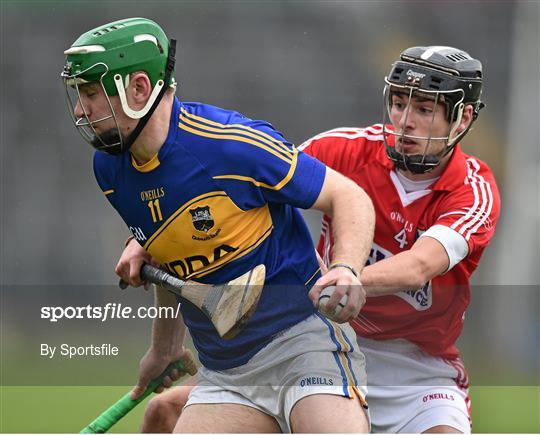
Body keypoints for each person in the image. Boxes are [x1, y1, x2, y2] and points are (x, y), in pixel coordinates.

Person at [140, 46, 500, 434]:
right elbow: (248, 193)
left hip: (414, 373)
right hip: (314, 347)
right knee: (164, 412)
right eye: (398, 104)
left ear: (462, 118)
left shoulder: (473, 190)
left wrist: (341, 279)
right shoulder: (343, 148)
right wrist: (148, 240)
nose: (404, 121)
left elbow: (417, 267)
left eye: (424, 110)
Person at [61, 17, 375, 433]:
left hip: (303, 345)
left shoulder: (230, 145)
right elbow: (170, 256)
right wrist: (165, 347)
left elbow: (349, 196)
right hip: (226, 373)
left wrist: (346, 268)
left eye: (91, 94)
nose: (82, 110)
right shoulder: (111, 168)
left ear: (138, 89)